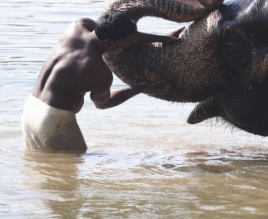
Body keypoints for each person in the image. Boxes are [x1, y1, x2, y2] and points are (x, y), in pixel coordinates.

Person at [21, 10, 183, 152]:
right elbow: (103, 103)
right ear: (109, 43)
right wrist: (139, 88)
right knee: (69, 178)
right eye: (125, 44)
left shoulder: (78, 26)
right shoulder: (98, 70)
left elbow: (127, 36)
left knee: (43, 170)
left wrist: (162, 39)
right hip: (53, 122)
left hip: (30, 111)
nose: (127, 46)